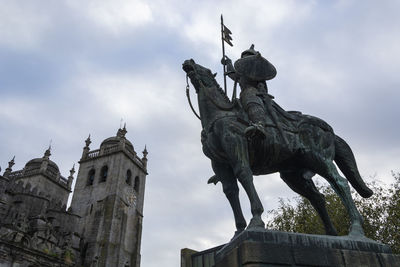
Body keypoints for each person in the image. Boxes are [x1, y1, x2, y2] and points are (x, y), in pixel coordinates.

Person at [222, 45, 278, 139]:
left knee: (250, 96)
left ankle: (259, 124)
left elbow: (263, 87)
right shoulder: (242, 73)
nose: (244, 58)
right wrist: (228, 63)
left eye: (247, 56)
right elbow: (234, 75)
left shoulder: (258, 72)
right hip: (243, 94)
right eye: (244, 57)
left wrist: (261, 87)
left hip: (253, 92)